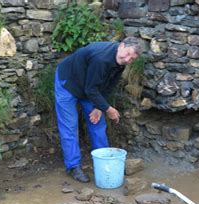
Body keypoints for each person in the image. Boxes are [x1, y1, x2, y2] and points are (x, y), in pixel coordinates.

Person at [54, 37, 142, 183]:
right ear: (121, 46)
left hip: (90, 86)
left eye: (132, 59)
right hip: (68, 83)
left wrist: (99, 107)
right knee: (69, 126)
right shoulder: (101, 58)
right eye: (127, 54)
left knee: (97, 124)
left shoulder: (121, 62)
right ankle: (73, 166)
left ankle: (104, 160)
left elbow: (110, 86)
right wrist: (108, 109)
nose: (127, 60)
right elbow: (91, 90)